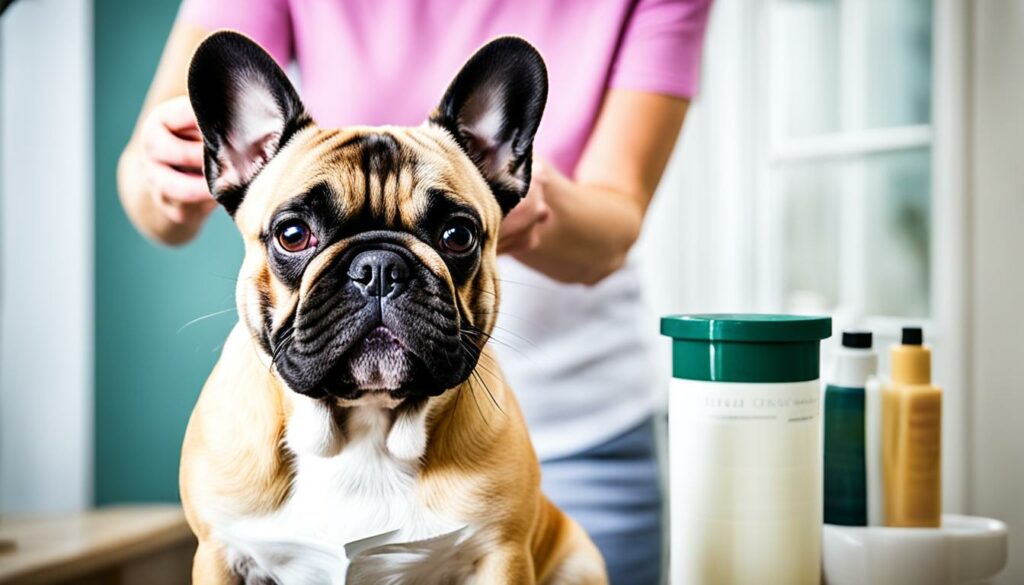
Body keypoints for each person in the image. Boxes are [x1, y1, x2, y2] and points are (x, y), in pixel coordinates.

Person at [117, 1, 711, 582]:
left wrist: (522, 191)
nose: (377, 280)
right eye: (296, 236)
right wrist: (157, 171)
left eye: (453, 236)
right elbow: (147, 191)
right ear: (234, 164)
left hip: (565, 419)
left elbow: (619, 215)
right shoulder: (226, 452)